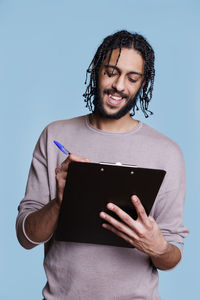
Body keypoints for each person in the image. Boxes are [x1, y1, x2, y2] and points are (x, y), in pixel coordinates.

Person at [16, 30, 189, 299]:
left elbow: (171, 257)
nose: (119, 86)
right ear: (96, 71)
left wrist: (158, 247)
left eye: (132, 78)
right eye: (111, 72)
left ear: (143, 84)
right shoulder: (54, 136)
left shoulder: (166, 153)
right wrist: (61, 202)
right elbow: (26, 237)